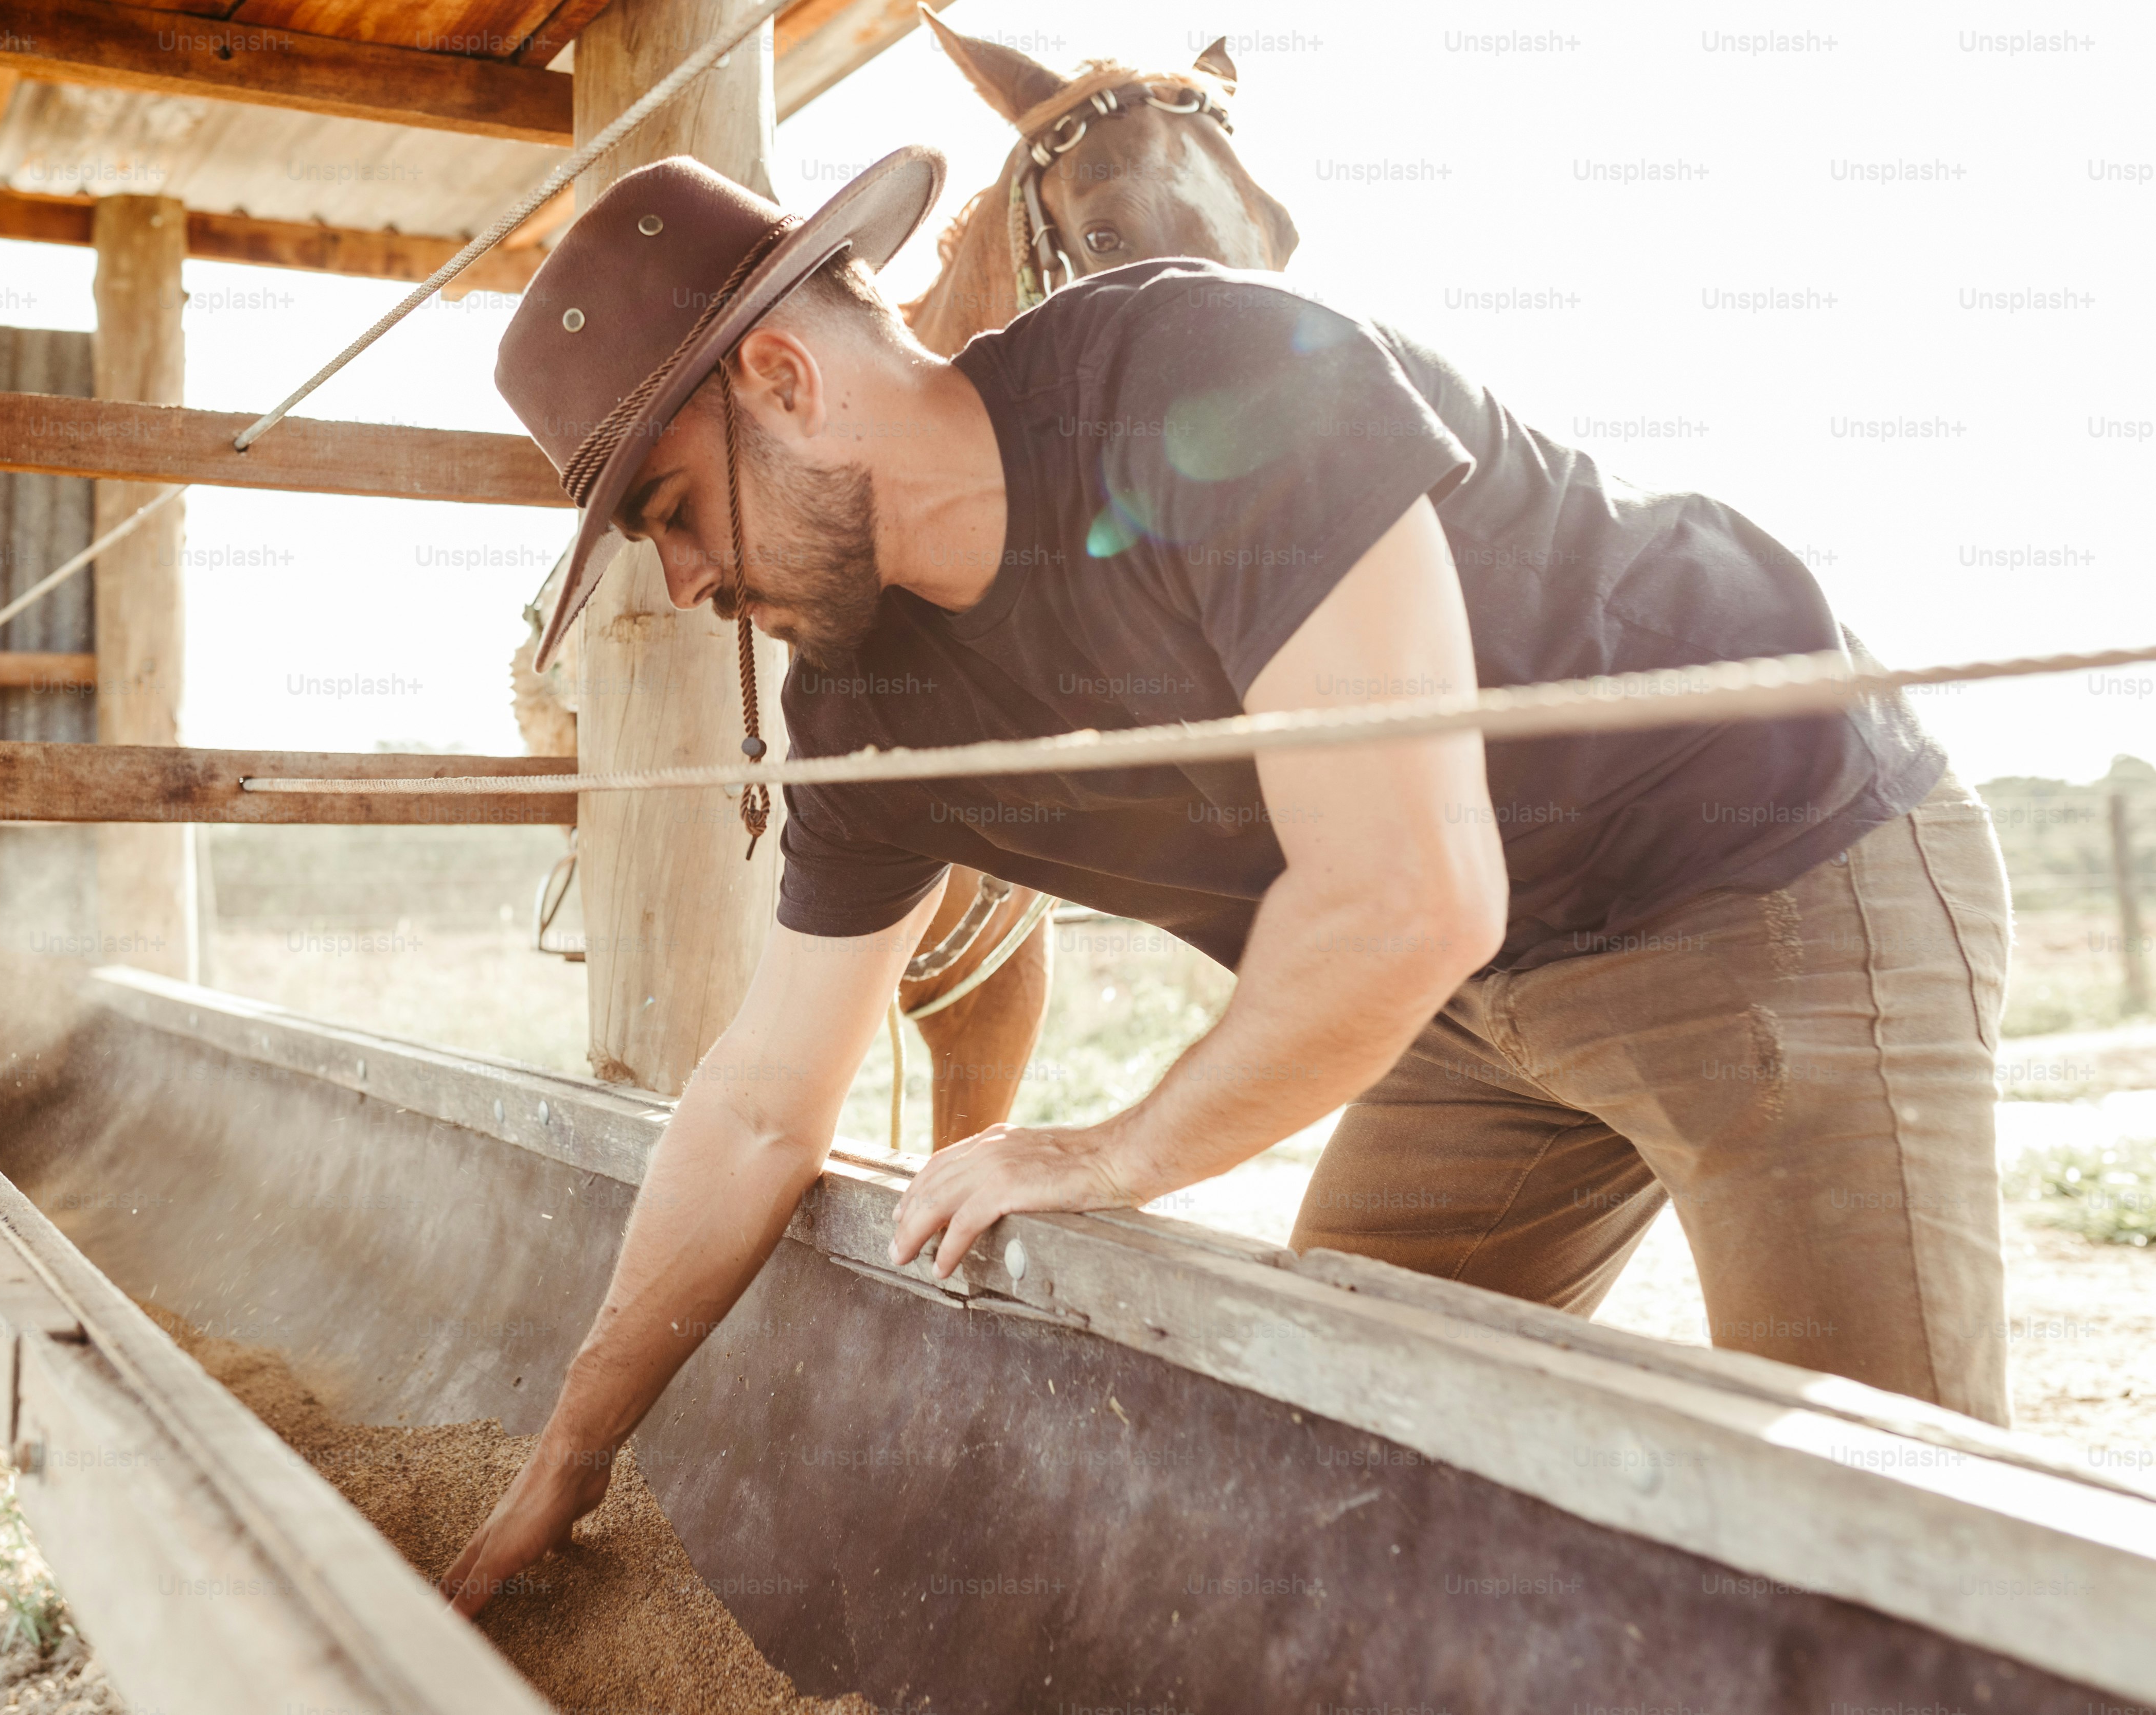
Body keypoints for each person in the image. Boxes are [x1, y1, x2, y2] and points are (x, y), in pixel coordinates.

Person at [444, 148, 2012, 1612]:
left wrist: (1116, 1150)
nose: (687, 581)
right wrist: (570, 1461)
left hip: (1766, 872)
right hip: (1469, 1000)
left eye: (671, 510)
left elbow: (1406, 893)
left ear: (783, 380)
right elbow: (760, 1106)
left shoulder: (1207, 382)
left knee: (1889, 1558)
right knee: (1337, 1466)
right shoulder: (863, 706)